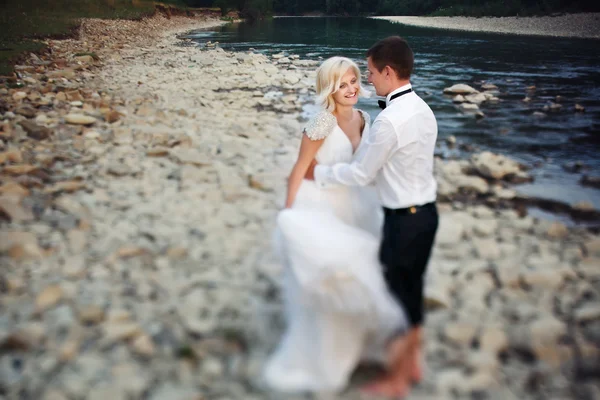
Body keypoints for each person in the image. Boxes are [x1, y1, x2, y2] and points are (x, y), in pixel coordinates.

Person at [262, 56, 407, 394]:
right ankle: (323, 355)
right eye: (342, 84)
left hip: (355, 203)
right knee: (335, 276)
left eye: (354, 80)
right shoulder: (320, 123)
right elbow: (299, 168)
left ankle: (360, 346)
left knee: (366, 268)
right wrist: (288, 211)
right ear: (329, 89)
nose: (351, 88)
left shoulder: (365, 117)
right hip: (320, 203)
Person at [307, 36, 439, 397]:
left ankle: (396, 382)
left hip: (403, 220)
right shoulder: (423, 109)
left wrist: (320, 174)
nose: (368, 80)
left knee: (398, 299)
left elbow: (361, 174)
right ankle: (410, 363)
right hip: (427, 214)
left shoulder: (388, 121)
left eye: (369, 72)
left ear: (388, 71)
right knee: (412, 292)